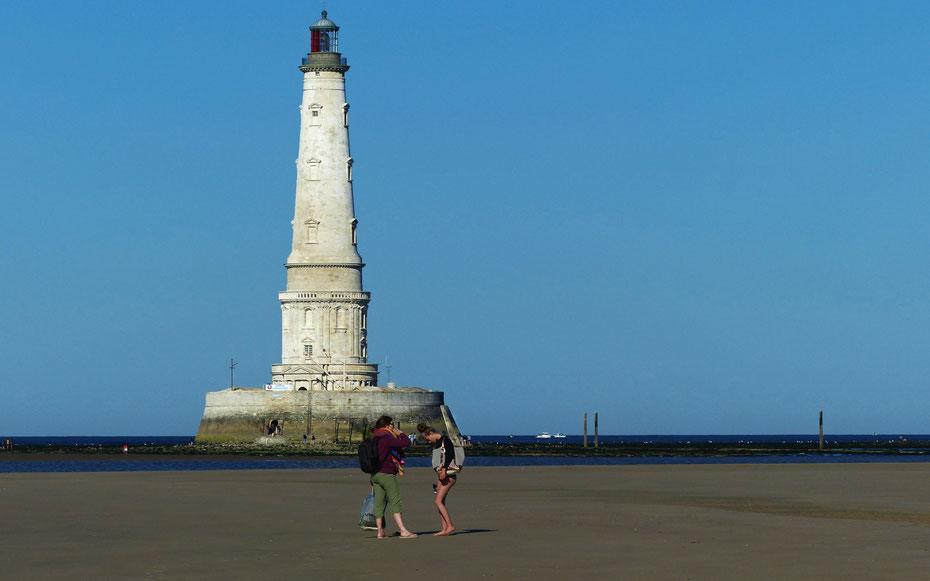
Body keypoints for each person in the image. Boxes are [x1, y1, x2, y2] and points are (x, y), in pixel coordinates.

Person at [370, 415, 417, 539]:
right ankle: (403, 530)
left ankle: (380, 532)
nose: (393, 426)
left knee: (379, 503)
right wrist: (401, 433)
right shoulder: (386, 438)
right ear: (386, 425)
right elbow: (406, 443)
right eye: (392, 424)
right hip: (386, 473)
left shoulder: (375, 437)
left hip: (375, 474)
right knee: (395, 501)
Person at [417, 423, 458, 536]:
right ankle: (445, 528)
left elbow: (450, 455)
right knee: (441, 501)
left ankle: (450, 526)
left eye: (428, 439)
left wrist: (444, 470)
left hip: (449, 475)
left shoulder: (445, 440)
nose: (429, 441)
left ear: (431, 434)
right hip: (442, 475)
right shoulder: (439, 443)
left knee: (438, 501)